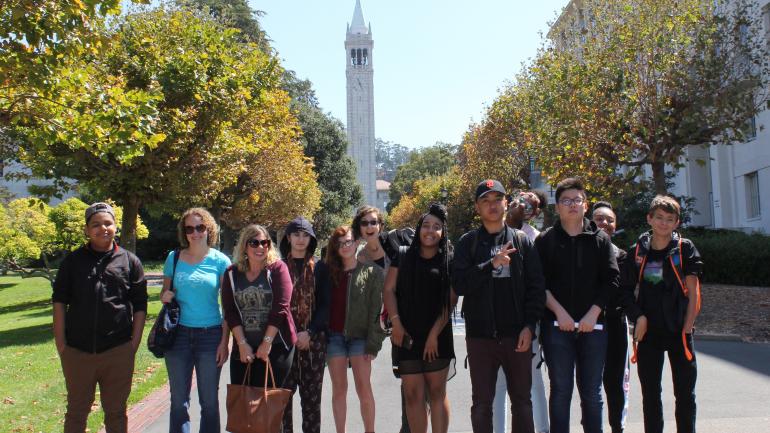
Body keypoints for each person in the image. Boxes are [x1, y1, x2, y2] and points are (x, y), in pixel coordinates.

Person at [452, 179, 546, 433]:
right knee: (482, 404)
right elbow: (459, 284)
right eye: (485, 201)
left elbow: (536, 288)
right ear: (477, 207)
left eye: (497, 200)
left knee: (523, 403)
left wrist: (529, 326)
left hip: (517, 335)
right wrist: (490, 265)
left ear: (506, 203)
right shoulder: (468, 243)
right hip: (481, 337)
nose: (492, 206)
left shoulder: (521, 241)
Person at [52, 202, 148, 433]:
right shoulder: (72, 262)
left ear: (115, 226)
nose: (103, 228)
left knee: (116, 413)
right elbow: (59, 303)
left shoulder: (129, 261)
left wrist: (132, 344)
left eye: (108, 223)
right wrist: (61, 345)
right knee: (76, 412)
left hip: (118, 351)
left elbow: (140, 305)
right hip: (77, 352)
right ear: (86, 230)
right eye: (96, 224)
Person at [535, 178, 619, 433]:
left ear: (586, 205)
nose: (572, 205)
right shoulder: (546, 240)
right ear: (557, 207)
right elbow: (538, 283)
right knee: (560, 390)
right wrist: (559, 313)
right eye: (566, 201)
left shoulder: (600, 240)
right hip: (556, 327)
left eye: (577, 200)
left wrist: (594, 314)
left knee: (592, 393)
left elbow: (612, 280)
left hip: (594, 328)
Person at [621, 195, 702, 433]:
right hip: (649, 333)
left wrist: (687, 329)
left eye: (669, 219)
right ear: (649, 218)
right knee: (651, 395)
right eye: (659, 218)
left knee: (685, 395)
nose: (663, 223)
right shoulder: (638, 251)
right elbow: (624, 290)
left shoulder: (683, 249)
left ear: (677, 222)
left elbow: (694, 292)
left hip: (679, 331)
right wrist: (638, 317)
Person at [383, 203, 456, 433]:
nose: (430, 231)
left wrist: (434, 334)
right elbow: (388, 290)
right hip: (406, 334)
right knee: (412, 395)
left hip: (438, 334)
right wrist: (396, 323)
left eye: (437, 227)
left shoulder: (449, 259)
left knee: (436, 392)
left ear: (443, 232)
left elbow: (451, 300)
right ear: (419, 227)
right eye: (426, 225)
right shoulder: (402, 255)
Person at [160, 208, 231, 433]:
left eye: (200, 227)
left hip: (210, 336)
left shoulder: (221, 261)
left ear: (208, 229)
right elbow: (165, 292)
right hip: (178, 335)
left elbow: (228, 306)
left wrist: (224, 342)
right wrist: (165, 296)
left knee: (209, 402)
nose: (195, 233)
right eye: (189, 228)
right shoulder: (174, 257)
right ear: (184, 232)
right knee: (178, 401)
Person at [221, 224, 297, 402]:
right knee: (242, 403)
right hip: (244, 345)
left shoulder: (278, 269)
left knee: (267, 404)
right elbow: (230, 311)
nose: (260, 247)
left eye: (265, 243)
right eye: (254, 243)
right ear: (244, 246)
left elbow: (281, 308)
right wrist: (241, 343)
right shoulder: (232, 273)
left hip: (277, 345)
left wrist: (266, 343)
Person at [324, 225, 385, 433]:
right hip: (334, 337)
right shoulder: (328, 273)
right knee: (339, 390)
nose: (345, 246)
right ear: (335, 247)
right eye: (340, 243)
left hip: (360, 338)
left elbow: (376, 311)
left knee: (363, 388)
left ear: (356, 242)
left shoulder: (372, 272)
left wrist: (373, 343)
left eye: (348, 241)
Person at [498, 190, 549, 433]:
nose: (522, 203)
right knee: (497, 384)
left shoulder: (535, 239)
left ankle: (542, 429)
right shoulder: (491, 232)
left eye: (529, 203)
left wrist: (531, 322)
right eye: (519, 197)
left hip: (526, 321)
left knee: (531, 381)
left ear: (534, 212)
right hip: (496, 322)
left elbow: (537, 284)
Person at [278, 217, 329, 433]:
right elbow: (277, 306)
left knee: (311, 403)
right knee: (282, 403)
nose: (300, 239)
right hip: (284, 345)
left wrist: (310, 332)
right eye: (296, 234)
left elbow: (326, 305)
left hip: (313, 344)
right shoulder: (277, 268)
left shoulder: (320, 267)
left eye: (305, 235)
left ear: (311, 239)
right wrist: (292, 334)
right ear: (288, 238)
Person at [592, 202, 631, 433]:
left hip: (615, 323)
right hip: (588, 325)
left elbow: (623, 291)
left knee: (615, 382)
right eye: (599, 219)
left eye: (610, 220)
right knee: (589, 382)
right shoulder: (582, 250)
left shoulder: (622, 255)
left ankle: (618, 426)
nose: (605, 223)